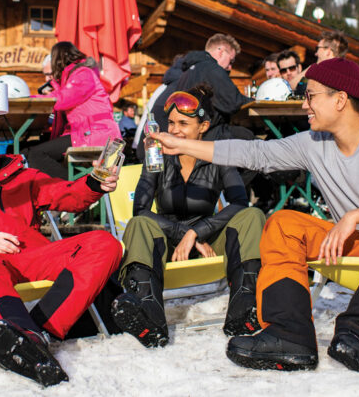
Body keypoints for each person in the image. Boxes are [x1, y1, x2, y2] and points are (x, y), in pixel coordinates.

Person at [151, 58, 359, 373]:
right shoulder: (313, 143)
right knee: (282, 224)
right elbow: (257, 155)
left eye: (311, 95)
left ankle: (357, 331)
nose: (304, 104)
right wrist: (182, 144)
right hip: (356, 243)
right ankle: (289, 333)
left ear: (340, 100)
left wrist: (353, 217)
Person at [0, 114, 122, 386]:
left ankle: (36, 334)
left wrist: (93, 184)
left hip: (31, 256)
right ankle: (19, 332)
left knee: (104, 243)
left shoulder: (24, 178)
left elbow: (67, 194)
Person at [111, 84, 266, 348]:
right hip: (168, 241)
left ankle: (245, 310)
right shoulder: (156, 154)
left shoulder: (218, 155)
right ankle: (150, 318)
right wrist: (185, 235)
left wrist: (198, 232)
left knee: (252, 216)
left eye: (183, 123)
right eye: (170, 123)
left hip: (209, 240)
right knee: (139, 224)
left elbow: (239, 202)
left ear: (202, 127)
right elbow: (141, 209)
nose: (173, 130)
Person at [24, 42, 120, 179]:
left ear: (58, 60)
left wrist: (31, 98)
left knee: (37, 154)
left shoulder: (83, 74)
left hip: (96, 134)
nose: (48, 77)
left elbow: (63, 99)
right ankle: (69, 189)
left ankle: (72, 190)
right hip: (87, 133)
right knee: (30, 153)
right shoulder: (76, 76)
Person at [150, 33, 252, 137]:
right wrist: (256, 101)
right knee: (250, 137)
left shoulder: (187, 73)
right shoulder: (212, 69)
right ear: (221, 52)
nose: (230, 67)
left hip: (187, 134)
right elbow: (233, 103)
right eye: (231, 60)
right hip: (207, 135)